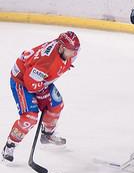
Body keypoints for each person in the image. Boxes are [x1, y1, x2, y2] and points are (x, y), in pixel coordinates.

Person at [2, 31, 80, 162]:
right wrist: (42, 95)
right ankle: (10, 145)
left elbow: (42, 78)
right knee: (30, 117)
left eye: (75, 50)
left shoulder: (67, 51)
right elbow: (30, 82)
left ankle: (47, 135)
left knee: (56, 105)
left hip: (40, 79)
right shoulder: (47, 61)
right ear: (61, 47)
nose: (73, 54)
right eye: (70, 50)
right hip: (22, 81)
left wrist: (43, 92)